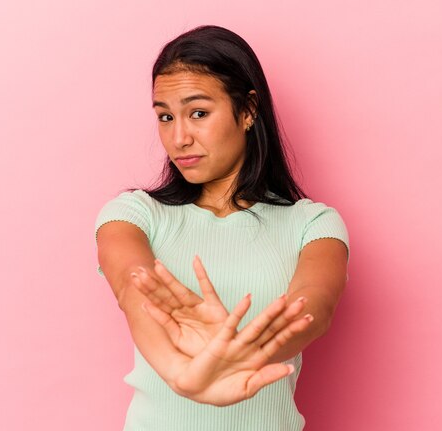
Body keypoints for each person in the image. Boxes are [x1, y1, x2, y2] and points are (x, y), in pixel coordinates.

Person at [95, 25, 349, 431]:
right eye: (165, 116)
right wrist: (182, 372)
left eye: (198, 112)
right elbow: (131, 286)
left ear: (247, 111)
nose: (178, 137)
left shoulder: (313, 223)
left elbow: (314, 309)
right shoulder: (133, 215)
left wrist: (234, 357)